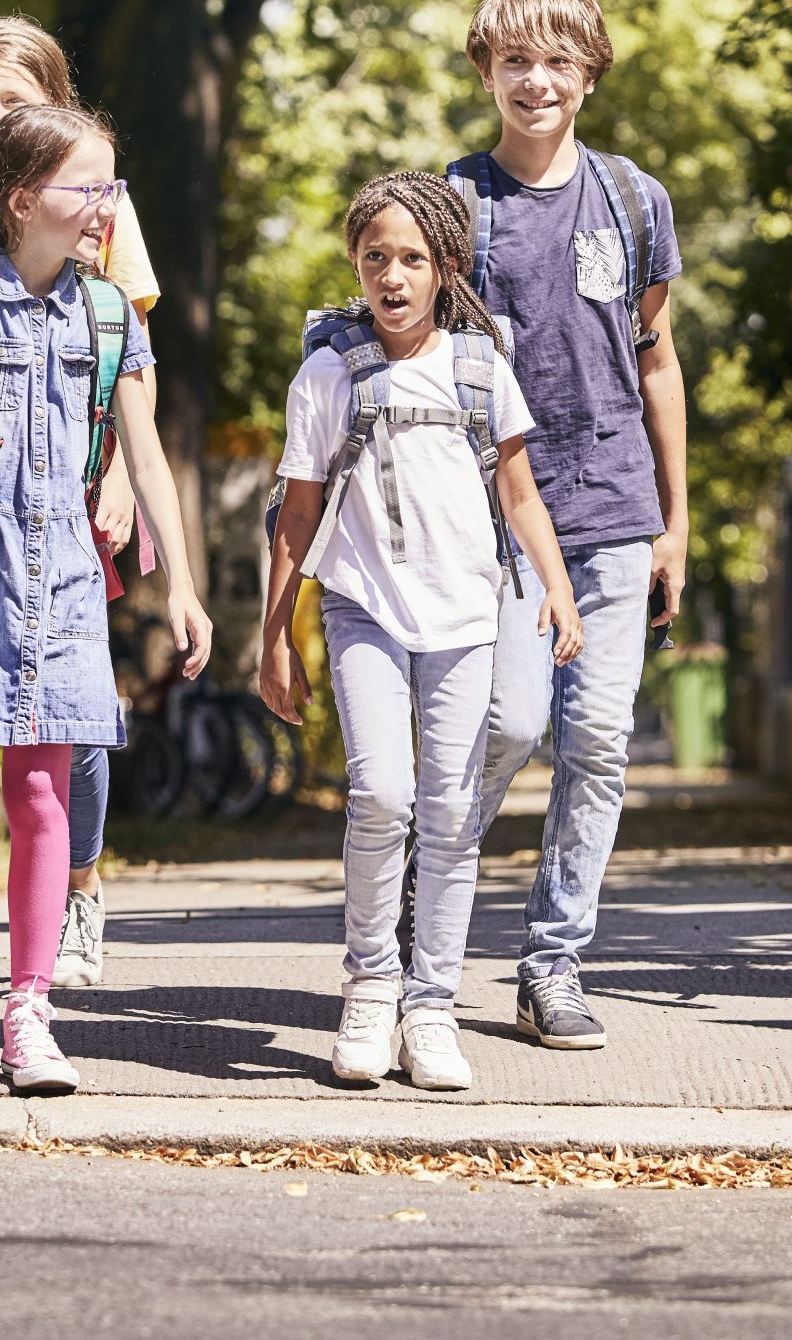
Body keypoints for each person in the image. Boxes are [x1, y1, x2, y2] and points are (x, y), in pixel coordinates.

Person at [0, 102, 211, 1093]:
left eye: (111, 185)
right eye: (85, 186)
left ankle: (29, 1006)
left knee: (45, 791)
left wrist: (179, 582)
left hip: (59, 580)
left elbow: (144, 453)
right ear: (20, 199)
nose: (105, 205)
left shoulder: (108, 315)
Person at [261, 172, 581, 1090]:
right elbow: (298, 515)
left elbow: (519, 490)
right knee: (382, 796)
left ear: (445, 266)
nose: (391, 277)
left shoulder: (481, 367)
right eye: (374, 258)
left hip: (467, 615)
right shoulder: (329, 373)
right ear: (355, 266)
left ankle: (431, 1004)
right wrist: (274, 635)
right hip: (362, 606)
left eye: (411, 259)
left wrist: (555, 591)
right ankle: (370, 987)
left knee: (449, 814)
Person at [446, 0, 689, 1052]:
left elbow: (655, 361)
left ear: (589, 73)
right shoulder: (454, 204)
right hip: (493, 515)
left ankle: (553, 962)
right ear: (484, 69)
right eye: (514, 60)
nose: (534, 79)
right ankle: (425, 919)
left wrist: (674, 520)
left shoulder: (634, 200)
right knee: (506, 724)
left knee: (596, 742)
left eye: (556, 59)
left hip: (614, 511)